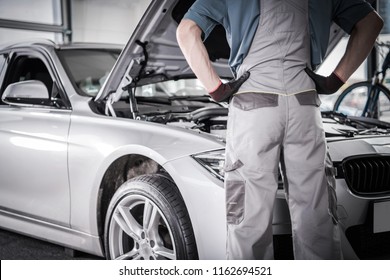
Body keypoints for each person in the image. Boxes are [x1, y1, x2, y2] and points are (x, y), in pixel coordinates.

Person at [176, 0, 383, 259]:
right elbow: (372, 22)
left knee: (249, 217)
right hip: (305, 105)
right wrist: (335, 80)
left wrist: (217, 89)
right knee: (316, 214)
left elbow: (186, 31)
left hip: (254, 107)